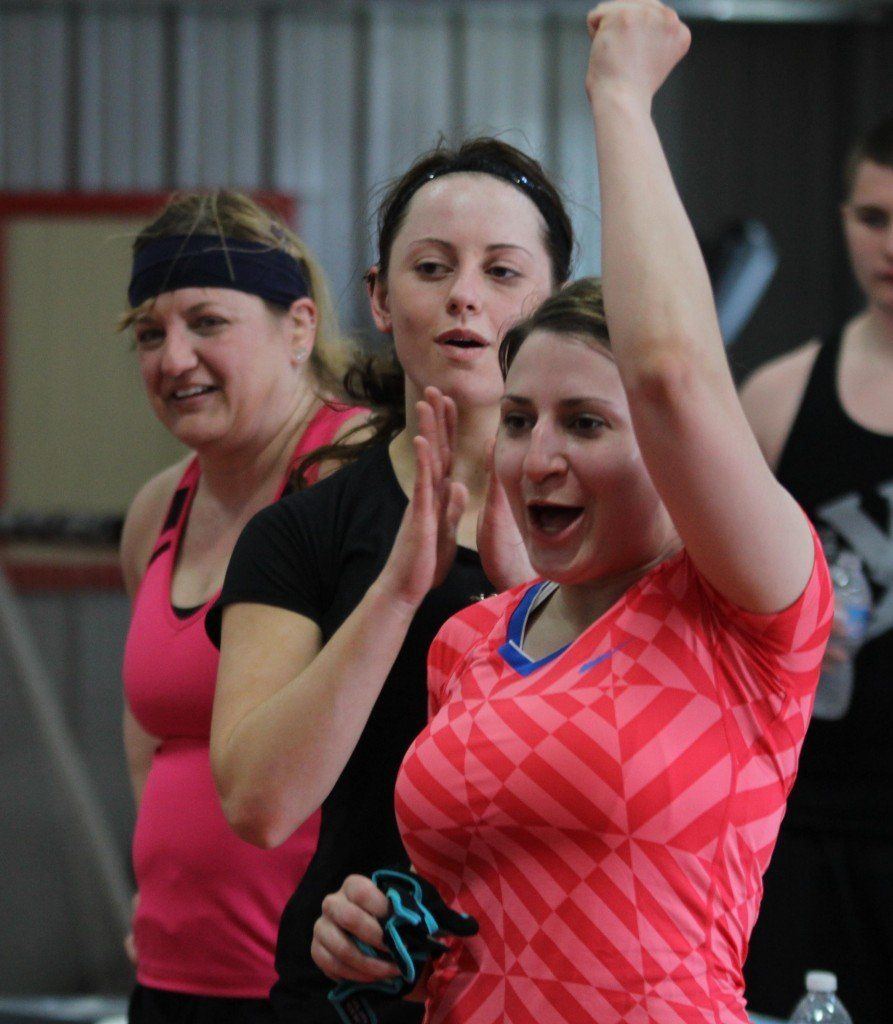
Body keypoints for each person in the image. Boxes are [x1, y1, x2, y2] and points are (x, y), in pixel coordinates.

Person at [310, 5, 833, 1023]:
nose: (537, 457)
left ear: (679, 460)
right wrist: (376, 926)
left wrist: (619, 94)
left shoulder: (749, 611)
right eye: (519, 420)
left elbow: (673, 374)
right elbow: (484, 901)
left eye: (586, 422)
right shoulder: (469, 640)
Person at [206, 139, 575, 1022]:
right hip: (356, 970)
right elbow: (260, 802)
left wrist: (519, 595)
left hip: (560, 978)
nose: (464, 296)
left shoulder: (617, 527)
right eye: (432, 268)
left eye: (501, 271)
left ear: (554, 301)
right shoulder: (301, 533)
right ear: (378, 296)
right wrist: (397, 593)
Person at [120, 190, 368, 1024]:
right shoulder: (159, 508)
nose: (172, 357)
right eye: (150, 334)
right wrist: (153, 899)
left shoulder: (360, 485)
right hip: (174, 975)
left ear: (299, 328)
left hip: (318, 985)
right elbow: (151, 739)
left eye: (206, 323)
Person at [739, 113, 893, 1022]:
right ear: (842, 220)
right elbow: (702, 602)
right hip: (808, 823)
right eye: (873, 217)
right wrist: (772, 632)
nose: (891, 244)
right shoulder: (778, 395)